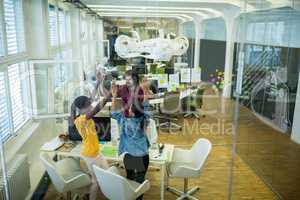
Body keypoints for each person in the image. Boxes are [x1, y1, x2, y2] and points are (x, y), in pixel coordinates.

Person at [111, 80, 150, 200]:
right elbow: (146, 105)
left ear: (132, 112)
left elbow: (113, 112)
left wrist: (113, 96)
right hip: (142, 156)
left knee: (130, 180)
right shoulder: (145, 118)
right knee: (140, 183)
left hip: (129, 156)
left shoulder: (123, 120)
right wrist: (146, 90)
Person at [72, 94, 109, 200]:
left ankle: (89, 194)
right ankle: (89, 197)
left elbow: (92, 100)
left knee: (107, 173)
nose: (91, 106)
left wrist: (98, 83)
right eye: (89, 105)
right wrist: (109, 95)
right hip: (90, 155)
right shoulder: (82, 119)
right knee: (95, 182)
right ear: (82, 108)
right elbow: (98, 107)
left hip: (96, 152)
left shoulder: (80, 117)